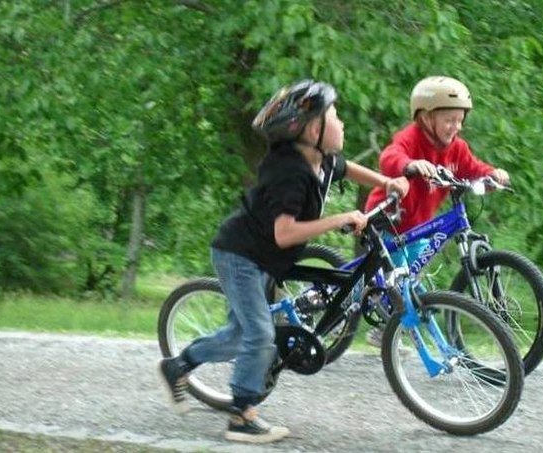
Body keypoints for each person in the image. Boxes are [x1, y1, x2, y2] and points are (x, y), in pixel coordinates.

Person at [157, 79, 409, 444]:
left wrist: (386, 182)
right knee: (260, 335)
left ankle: (177, 367)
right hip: (240, 256)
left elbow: (346, 167)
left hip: (262, 258)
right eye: (335, 116)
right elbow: (285, 233)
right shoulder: (288, 172)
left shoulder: (320, 157)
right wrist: (340, 219)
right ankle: (241, 416)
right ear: (312, 129)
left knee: (237, 335)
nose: (342, 123)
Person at [363, 75, 509, 347]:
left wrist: (493, 175)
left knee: (410, 281)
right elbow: (389, 158)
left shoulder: (457, 149)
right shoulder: (411, 137)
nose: (456, 126)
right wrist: (412, 164)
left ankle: (388, 324)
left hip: (417, 229)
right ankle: (381, 317)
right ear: (427, 118)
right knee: (404, 282)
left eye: (460, 119)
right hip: (388, 220)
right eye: (449, 120)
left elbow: (474, 168)